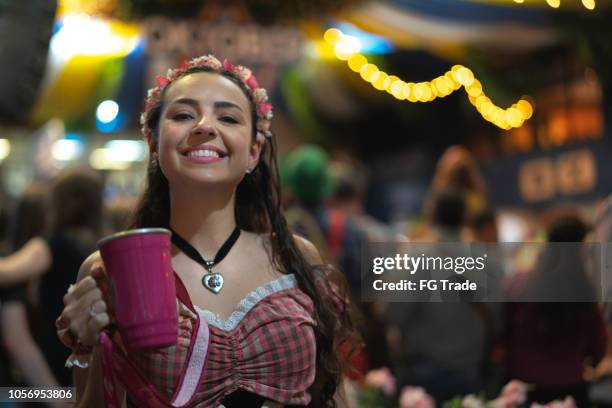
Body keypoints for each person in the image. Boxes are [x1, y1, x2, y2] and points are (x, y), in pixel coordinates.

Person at [56, 55, 357, 407]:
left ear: (253, 152)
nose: (204, 126)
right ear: (154, 143)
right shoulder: (109, 270)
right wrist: (91, 349)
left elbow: (334, 395)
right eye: (183, 115)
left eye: (228, 117)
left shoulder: (294, 257)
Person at [0, 170, 104, 387]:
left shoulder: (52, 244)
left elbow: (6, 272)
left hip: (60, 355)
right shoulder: (100, 247)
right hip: (94, 357)